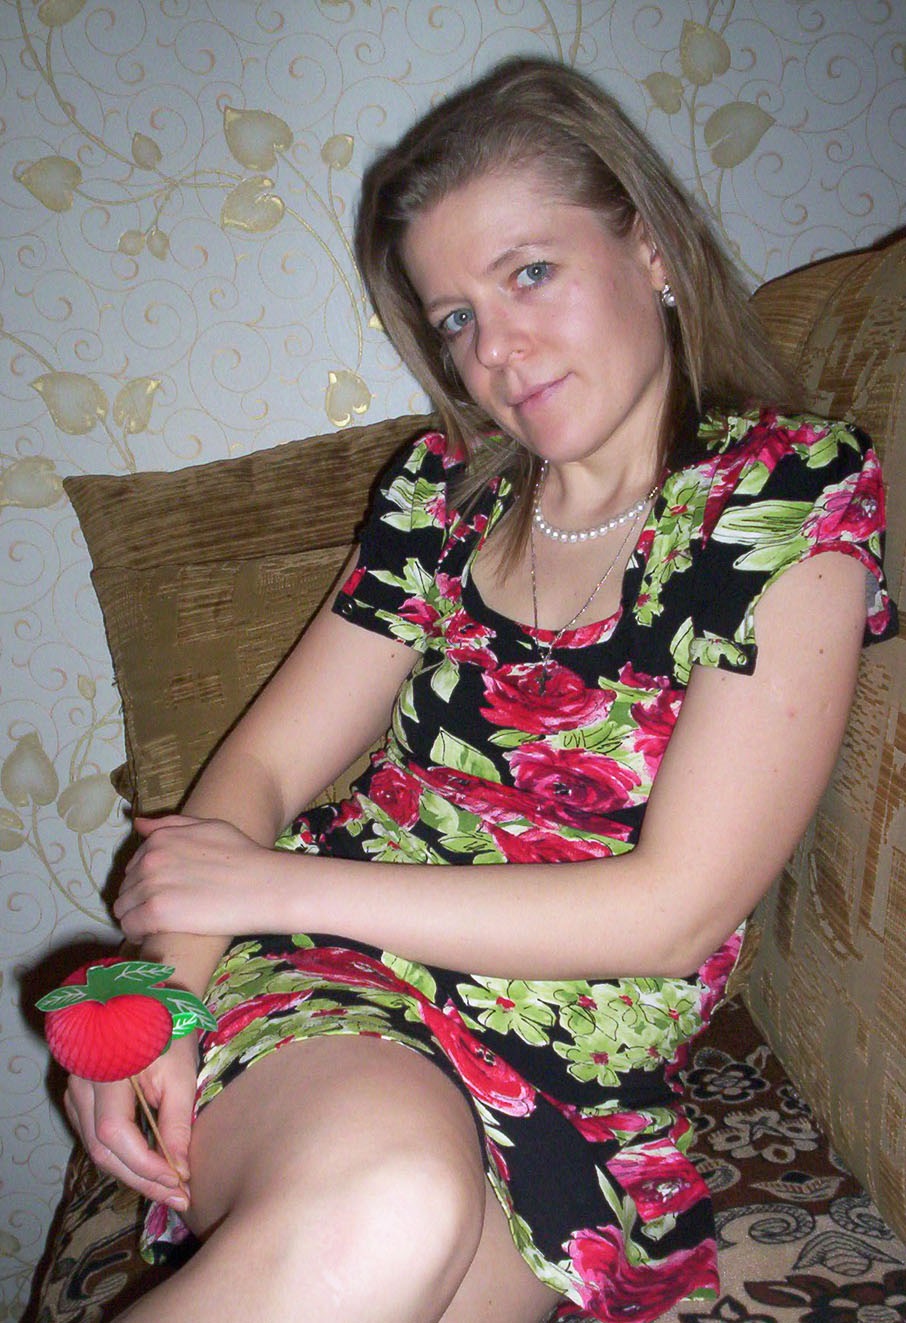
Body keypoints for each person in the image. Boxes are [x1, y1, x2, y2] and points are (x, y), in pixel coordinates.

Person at [64, 56, 896, 1323]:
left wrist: (260, 881)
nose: (494, 349)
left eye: (530, 273)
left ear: (652, 248)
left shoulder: (785, 496)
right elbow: (267, 769)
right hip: (335, 983)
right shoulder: (443, 496)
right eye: (455, 316)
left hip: (568, 1069)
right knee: (387, 1210)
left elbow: (674, 914)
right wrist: (157, 992)